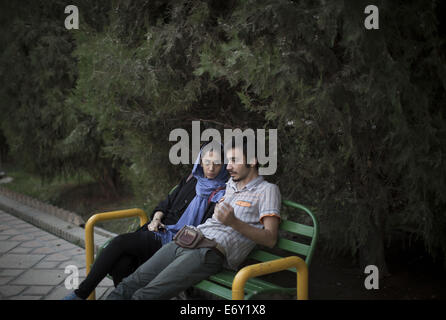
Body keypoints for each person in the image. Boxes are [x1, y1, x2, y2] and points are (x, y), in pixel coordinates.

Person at [106, 136, 281, 300]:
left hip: (210, 252)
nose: (228, 167)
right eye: (228, 161)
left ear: (252, 161)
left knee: (146, 295)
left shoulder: (267, 190)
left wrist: (233, 222)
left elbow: (270, 239)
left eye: (234, 160)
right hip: (187, 239)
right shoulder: (230, 185)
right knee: (131, 282)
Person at [63, 142, 229, 300]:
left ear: (223, 164)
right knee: (121, 264)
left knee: (119, 242)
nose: (211, 168)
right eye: (207, 162)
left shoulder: (223, 192)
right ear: (200, 161)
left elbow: (207, 227)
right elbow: (165, 204)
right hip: (159, 229)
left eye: (216, 163)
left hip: (176, 242)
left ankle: (81, 293)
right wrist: (156, 219)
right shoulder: (192, 179)